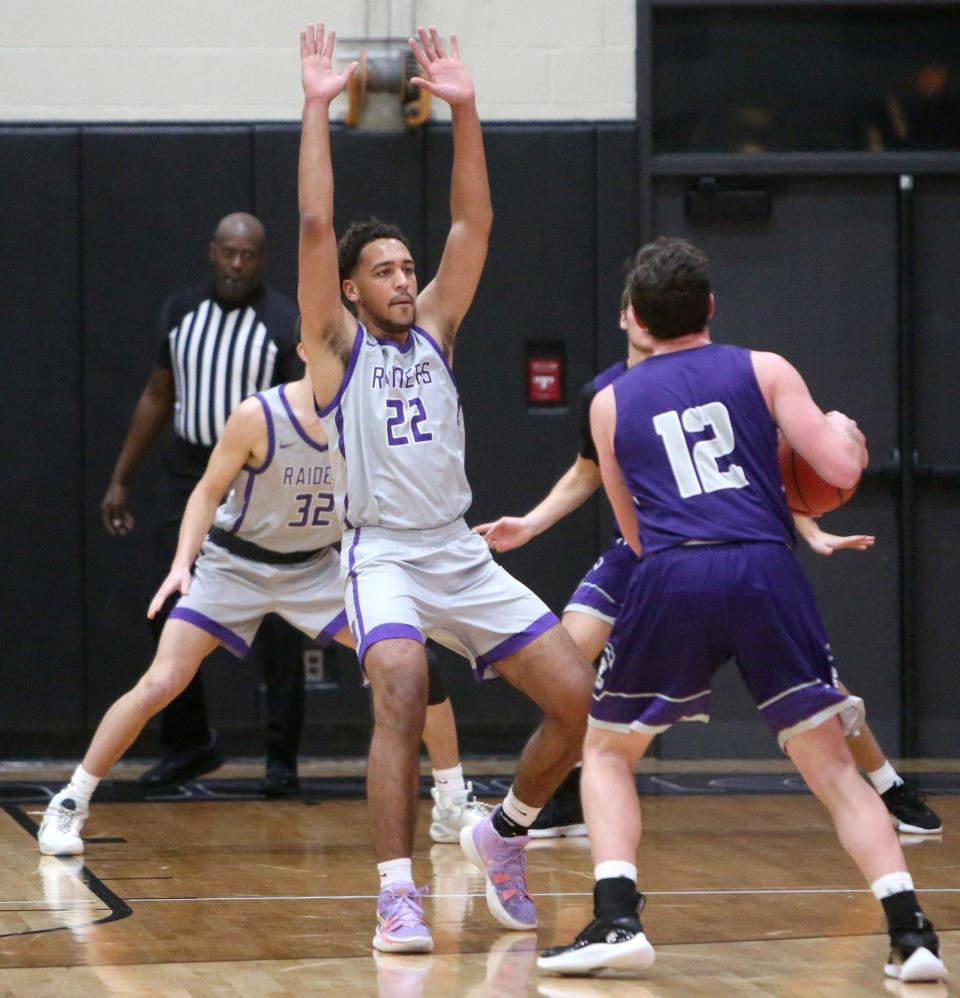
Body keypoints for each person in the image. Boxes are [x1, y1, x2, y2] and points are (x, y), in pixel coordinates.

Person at [538, 237, 946, 983]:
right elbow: (839, 467)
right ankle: (911, 933)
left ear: (637, 318)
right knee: (829, 768)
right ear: (711, 309)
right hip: (764, 567)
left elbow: (632, 532)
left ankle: (618, 917)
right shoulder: (765, 369)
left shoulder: (607, 401)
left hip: (671, 572)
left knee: (605, 752)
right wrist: (847, 435)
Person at [296, 22, 595, 953]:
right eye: (381, 270)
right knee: (401, 682)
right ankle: (398, 895)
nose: (401, 277)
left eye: (404, 267)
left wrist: (466, 109)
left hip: (455, 548)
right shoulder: (333, 348)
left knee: (578, 700)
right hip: (381, 550)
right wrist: (314, 105)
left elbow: (474, 225)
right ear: (346, 290)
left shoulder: (434, 331)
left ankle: (501, 834)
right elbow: (313, 226)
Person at [477, 287, 942, 838]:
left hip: (718, 550)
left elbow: (761, 474)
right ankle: (571, 789)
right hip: (643, 552)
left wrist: (811, 529)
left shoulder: (723, 380)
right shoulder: (603, 393)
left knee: (823, 688)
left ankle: (888, 785)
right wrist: (530, 523)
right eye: (636, 307)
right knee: (569, 662)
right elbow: (586, 473)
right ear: (627, 316)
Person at [37, 360, 488, 856]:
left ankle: (451, 801)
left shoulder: (369, 415)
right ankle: (70, 801)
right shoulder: (260, 415)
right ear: (306, 349)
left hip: (315, 568)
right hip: (235, 564)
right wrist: (182, 563)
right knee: (163, 681)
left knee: (419, 661)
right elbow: (207, 491)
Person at [101, 212, 308, 794]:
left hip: (264, 475)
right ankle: (190, 743)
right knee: (171, 604)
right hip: (190, 470)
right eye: (228, 253)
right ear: (212, 252)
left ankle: (280, 758)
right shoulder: (180, 312)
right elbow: (156, 394)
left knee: (279, 621)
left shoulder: (282, 319)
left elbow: (305, 408)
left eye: (248, 255)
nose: (237, 264)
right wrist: (121, 478)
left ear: (262, 260)